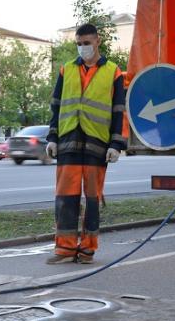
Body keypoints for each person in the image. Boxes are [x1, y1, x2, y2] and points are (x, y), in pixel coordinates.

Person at [45, 23, 126, 265]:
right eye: (79, 44)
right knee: (65, 198)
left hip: (97, 144)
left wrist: (116, 144)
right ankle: (65, 249)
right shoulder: (66, 70)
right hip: (68, 142)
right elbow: (56, 105)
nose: (83, 48)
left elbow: (119, 110)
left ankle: (88, 249)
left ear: (97, 41)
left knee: (92, 199)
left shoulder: (113, 72)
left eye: (87, 43)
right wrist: (52, 137)